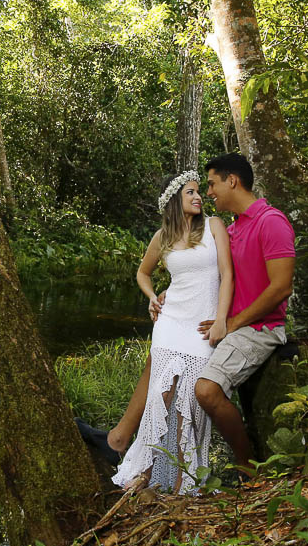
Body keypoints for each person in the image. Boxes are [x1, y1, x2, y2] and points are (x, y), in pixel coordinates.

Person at [109, 153, 295, 480]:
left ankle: (244, 470)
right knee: (161, 369)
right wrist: (166, 293)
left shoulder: (269, 222)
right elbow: (203, 269)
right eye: (197, 189)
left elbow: (281, 287)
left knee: (203, 390)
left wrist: (230, 322)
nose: (207, 193)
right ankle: (134, 455)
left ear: (231, 181)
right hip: (214, 322)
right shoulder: (234, 227)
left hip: (255, 326)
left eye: (210, 185)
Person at [110, 170, 234, 493]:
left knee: (189, 402)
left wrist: (221, 319)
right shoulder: (163, 236)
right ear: (174, 200)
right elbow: (143, 272)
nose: (198, 196)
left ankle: (184, 481)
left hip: (202, 327)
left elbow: (226, 274)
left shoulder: (214, 227)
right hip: (170, 323)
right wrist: (153, 297)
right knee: (161, 397)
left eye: (199, 191)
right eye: (190, 192)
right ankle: (145, 472)